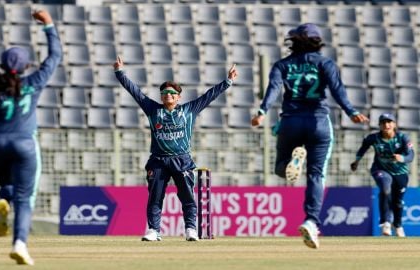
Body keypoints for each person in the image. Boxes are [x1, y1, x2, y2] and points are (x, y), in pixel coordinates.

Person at [250, 23, 369, 249]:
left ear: (293, 41)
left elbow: (273, 89)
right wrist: (351, 112)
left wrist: (262, 112)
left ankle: (291, 163)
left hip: (290, 121)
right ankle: (311, 221)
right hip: (318, 122)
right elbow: (337, 90)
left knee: (280, 169)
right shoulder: (325, 63)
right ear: (318, 41)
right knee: (316, 175)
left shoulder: (282, 65)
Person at [0, 10, 62, 265]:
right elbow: (54, 57)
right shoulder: (34, 81)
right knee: (25, 198)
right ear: (26, 65)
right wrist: (48, 25)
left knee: (7, 185)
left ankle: (2, 201)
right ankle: (19, 244)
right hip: (24, 144)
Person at [113, 56, 237, 241]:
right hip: (158, 160)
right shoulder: (152, 109)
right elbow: (135, 92)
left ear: (179, 97)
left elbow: (209, 95)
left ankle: (190, 229)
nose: (167, 95)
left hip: (182, 159)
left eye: (171, 93)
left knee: (187, 197)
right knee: (155, 198)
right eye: (164, 93)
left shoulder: (189, 110)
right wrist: (119, 73)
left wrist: (227, 82)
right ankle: (154, 230)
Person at [350, 113, 413, 238]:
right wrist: (357, 161)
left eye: (389, 122)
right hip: (380, 169)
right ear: (379, 125)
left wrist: (402, 158)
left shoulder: (402, 138)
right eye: (383, 122)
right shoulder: (374, 138)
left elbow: (411, 155)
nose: (386, 125)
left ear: (394, 124)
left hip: (401, 173)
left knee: (398, 202)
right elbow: (363, 148)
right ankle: (385, 223)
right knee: (385, 189)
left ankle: (398, 225)